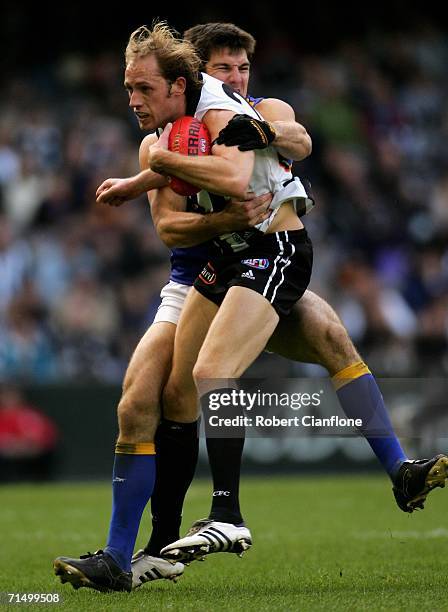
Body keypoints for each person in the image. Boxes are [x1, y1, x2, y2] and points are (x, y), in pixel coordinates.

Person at [54, 22, 447, 593]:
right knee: (157, 397)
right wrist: (153, 179)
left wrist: (254, 135)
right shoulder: (169, 134)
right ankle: (143, 551)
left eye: (241, 68)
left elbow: (297, 141)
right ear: (198, 74)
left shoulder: (244, 113)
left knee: (311, 345)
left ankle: (243, 510)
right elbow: (170, 226)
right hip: (202, 274)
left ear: (180, 83)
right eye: (223, 68)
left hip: (268, 253)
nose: (234, 78)